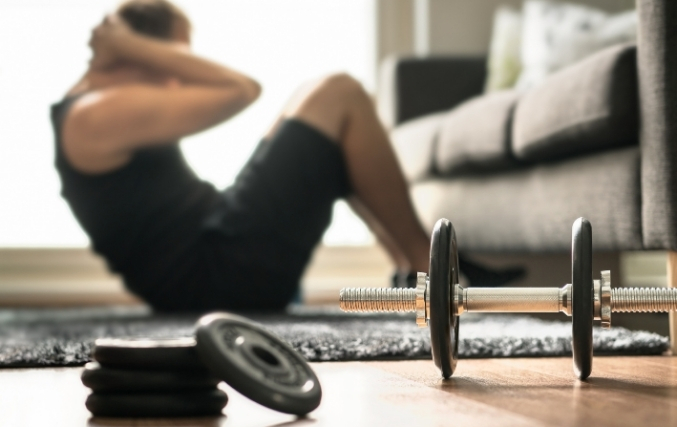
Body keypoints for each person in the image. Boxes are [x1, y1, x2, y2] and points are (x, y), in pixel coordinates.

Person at [52, 0, 519, 312]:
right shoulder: (93, 114)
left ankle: (412, 268)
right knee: (339, 93)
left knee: (317, 112)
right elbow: (242, 89)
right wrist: (132, 46)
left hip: (217, 255)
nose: (178, 77)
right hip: (218, 277)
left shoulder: (88, 112)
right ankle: (437, 273)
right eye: (176, 57)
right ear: (144, 50)